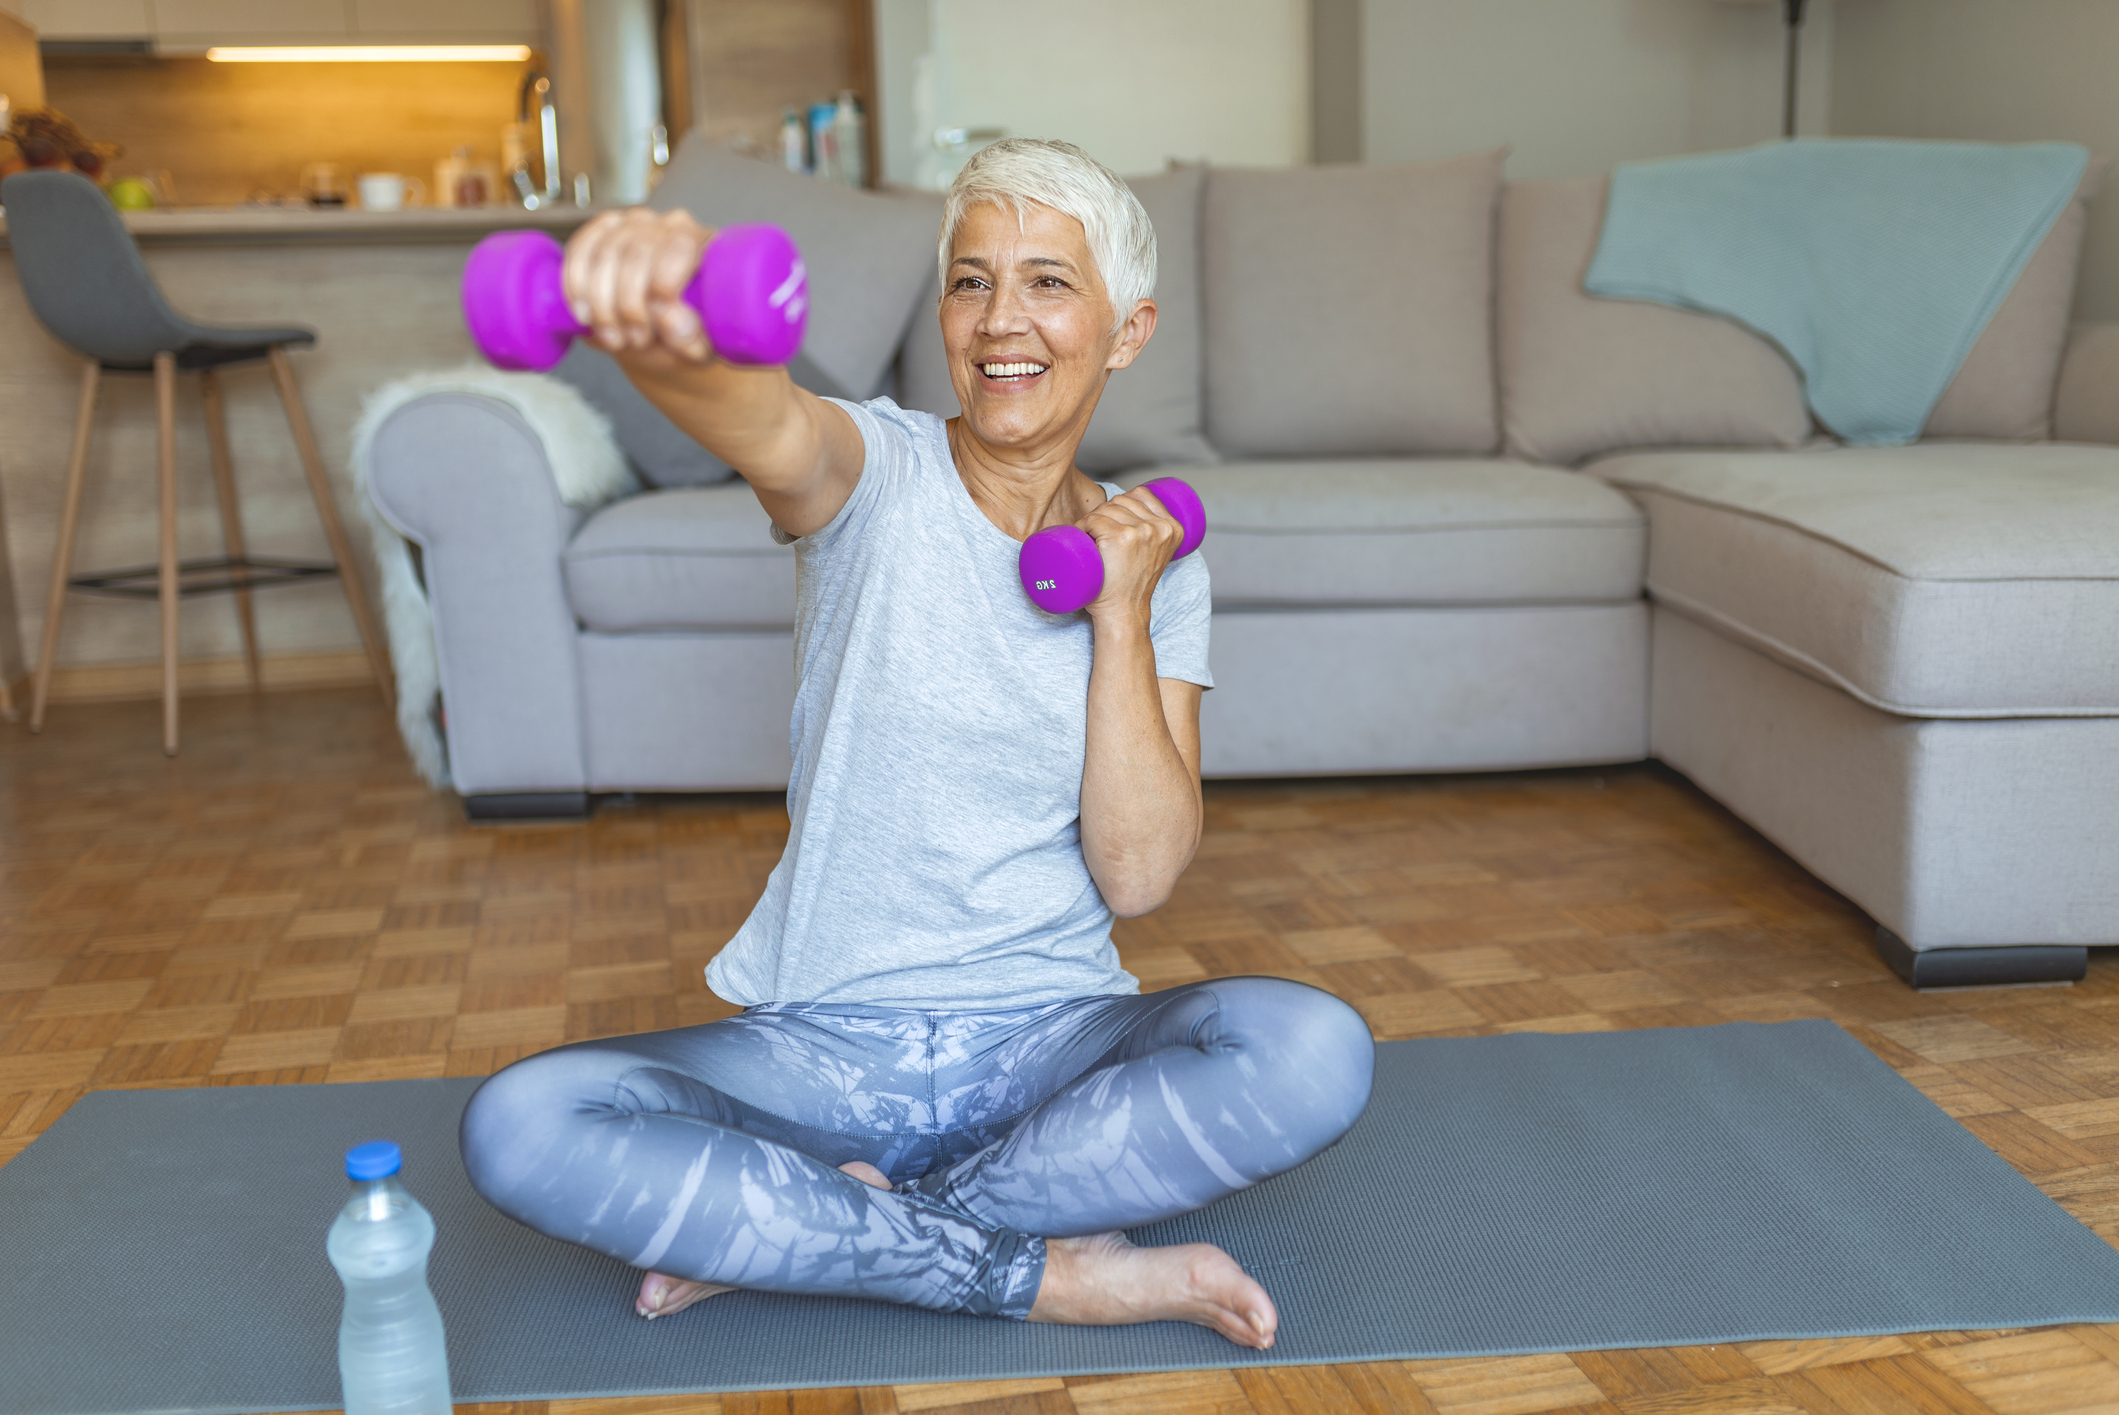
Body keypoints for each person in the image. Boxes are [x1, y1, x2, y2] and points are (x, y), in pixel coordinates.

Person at [459, 139, 1375, 1349]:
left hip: (1048, 1051)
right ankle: (1036, 1272)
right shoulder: (873, 469)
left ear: (1128, 327)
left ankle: (822, 1234)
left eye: (1049, 281)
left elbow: (1140, 875)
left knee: (1313, 1047)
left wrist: (1120, 611)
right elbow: (761, 412)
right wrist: (651, 326)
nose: (1003, 320)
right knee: (521, 1121)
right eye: (970, 279)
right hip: (819, 1048)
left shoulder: (1156, 561)